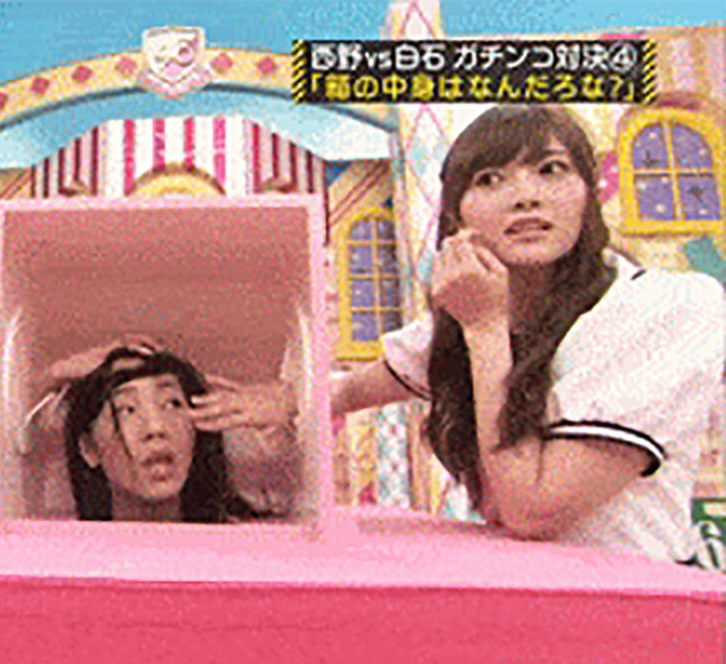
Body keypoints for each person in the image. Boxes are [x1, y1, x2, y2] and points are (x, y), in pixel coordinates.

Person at [190, 105, 726, 564]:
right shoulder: (468, 322)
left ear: (589, 194)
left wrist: (485, 330)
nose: (525, 197)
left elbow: (533, 509)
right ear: (455, 215)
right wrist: (284, 400)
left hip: (635, 605)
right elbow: (352, 388)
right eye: (490, 179)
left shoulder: (666, 307)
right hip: (524, 596)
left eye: (551, 170)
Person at [29, 338, 294, 523]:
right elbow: (16, 439)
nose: (155, 428)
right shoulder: (58, 545)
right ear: (88, 448)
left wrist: (293, 406)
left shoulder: (250, 541)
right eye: (127, 410)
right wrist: (53, 375)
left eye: (171, 404)